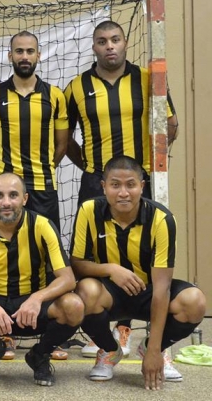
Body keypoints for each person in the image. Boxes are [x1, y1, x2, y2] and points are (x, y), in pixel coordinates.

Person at [65, 20, 180, 369]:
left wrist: (143, 163)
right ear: (94, 47)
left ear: (125, 42)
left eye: (115, 40)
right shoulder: (77, 86)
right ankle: (105, 338)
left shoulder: (147, 80)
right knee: (95, 257)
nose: (109, 46)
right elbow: (65, 138)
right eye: (102, 41)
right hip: (95, 178)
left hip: (137, 176)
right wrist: (90, 166)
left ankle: (135, 333)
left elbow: (170, 125)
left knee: (143, 252)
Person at [70, 155, 206, 390]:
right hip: (110, 294)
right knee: (83, 291)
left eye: (130, 184)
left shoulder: (162, 219)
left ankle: (154, 348)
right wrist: (111, 270)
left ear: (142, 186)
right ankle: (110, 351)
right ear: (104, 187)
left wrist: (154, 350)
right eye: (115, 185)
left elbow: (162, 288)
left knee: (195, 302)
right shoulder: (89, 210)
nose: (123, 192)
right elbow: (77, 264)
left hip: (150, 292)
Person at [0, 172, 84, 386]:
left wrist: (37, 298)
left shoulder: (42, 225)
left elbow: (68, 279)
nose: (6, 202)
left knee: (75, 306)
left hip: (33, 309)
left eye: (13, 195)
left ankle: (39, 355)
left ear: (24, 199)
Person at [0, 31, 67, 230]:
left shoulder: (55, 95)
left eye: (30, 51)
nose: (24, 56)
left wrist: (45, 167)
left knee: (47, 247)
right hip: (6, 188)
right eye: (19, 51)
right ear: (10, 56)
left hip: (43, 186)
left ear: (38, 55)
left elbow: (62, 144)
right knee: (7, 242)